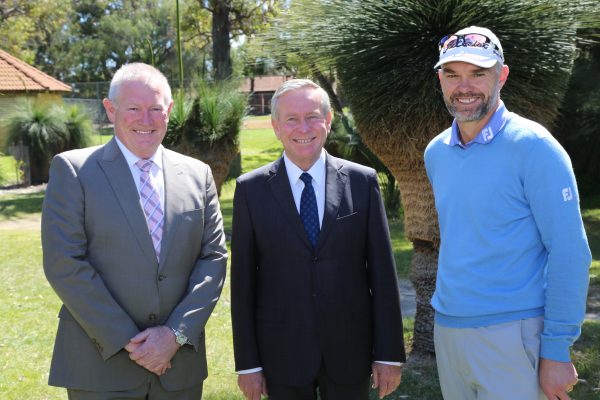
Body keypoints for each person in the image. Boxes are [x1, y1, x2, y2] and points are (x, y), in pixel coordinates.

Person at [41, 62, 227, 399]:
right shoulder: (74, 171)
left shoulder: (198, 175)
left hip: (178, 369)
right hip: (101, 365)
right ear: (110, 110)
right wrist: (134, 342)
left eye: (156, 108)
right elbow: (64, 263)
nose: (146, 119)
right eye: (133, 108)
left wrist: (175, 335)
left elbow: (213, 259)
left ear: (169, 110)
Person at [425, 26, 592, 400]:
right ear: (440, 80)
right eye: (453, 74)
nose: (463, 87)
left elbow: (569, 252)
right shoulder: (436, 152)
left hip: (514, 334)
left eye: (478, 73)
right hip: (449, 330)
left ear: (501, 75)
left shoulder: (535, 148)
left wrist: (556, 348)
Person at [230, 79, 405, 400]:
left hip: (350, 351)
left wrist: (389, 353)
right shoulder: (250, 190)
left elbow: (382, 274)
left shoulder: (360, 182)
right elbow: (242, 286)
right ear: (276, 127)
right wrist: (248, 365)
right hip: (281, 353)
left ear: (328, 120)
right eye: (291, 119)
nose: (303, 127)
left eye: (312, 116)